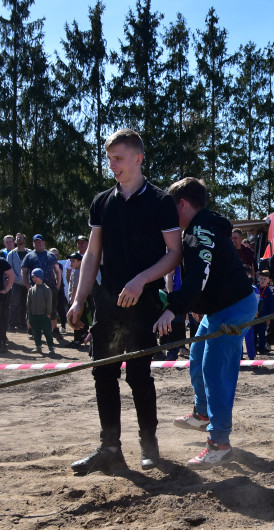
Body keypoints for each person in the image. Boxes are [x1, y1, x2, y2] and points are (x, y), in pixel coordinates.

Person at [67, 128, 182, 475]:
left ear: (138, 158)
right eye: (109, 158)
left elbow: (174, 254)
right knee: (103, 373)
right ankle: (110, 449)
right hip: (108, 303)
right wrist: (78, 299)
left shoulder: (161, 202)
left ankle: (150, 446)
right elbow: (92, 254)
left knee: (139, 376)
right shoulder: (102, 202)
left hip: (144, 303)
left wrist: (141, 279)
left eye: (118, 158)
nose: (112, 165)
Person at [156, 177, 259, 469]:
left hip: (235, 307)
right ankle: (203, 415)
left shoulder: (201, 231)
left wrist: (172, 309)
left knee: (216, 372)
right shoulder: (198, 227)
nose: (168, 214)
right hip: (218, 309)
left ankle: (219, 443)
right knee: (198, 358)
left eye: (171, 207)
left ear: (183, 204)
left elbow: (198, 277)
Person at [21, 235, 61, 338]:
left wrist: (57, 285)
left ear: (44, 243)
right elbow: (24, 273)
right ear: (33, 243)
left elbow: (57, 271)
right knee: (33, 309)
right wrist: (28, 286)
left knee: (51, 309)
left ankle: (55, 330)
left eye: (40, 242)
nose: (38, 244)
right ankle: (32, 330)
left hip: (51, 287)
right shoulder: (29, 256)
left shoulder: (51, 255)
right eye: (36, 242)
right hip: (35, 288)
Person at [26, 268, 56, 356]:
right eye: (32, 277)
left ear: (40, 276)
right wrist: (29, 314)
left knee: (47, 332)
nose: (33, 279)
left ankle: (51, 347)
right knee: (36, 332)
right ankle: (38, 346)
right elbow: (28, 303)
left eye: (35, 277)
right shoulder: (31, 290)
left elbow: (49, 302)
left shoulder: (46, 289)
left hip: (43, 315)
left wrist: (48, 313)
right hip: (33, 315)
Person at [254, 270, 274, 354]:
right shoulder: (254, 289)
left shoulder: (269, 292)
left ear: (268, 280)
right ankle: (254, 346)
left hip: (264, 316)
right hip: (254, 316)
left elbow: (270, 306)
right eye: (261, 278)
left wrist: (269, 318)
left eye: (264, 279)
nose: (262, 280)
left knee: (262, 332)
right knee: (253, 333)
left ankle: (262, 347)